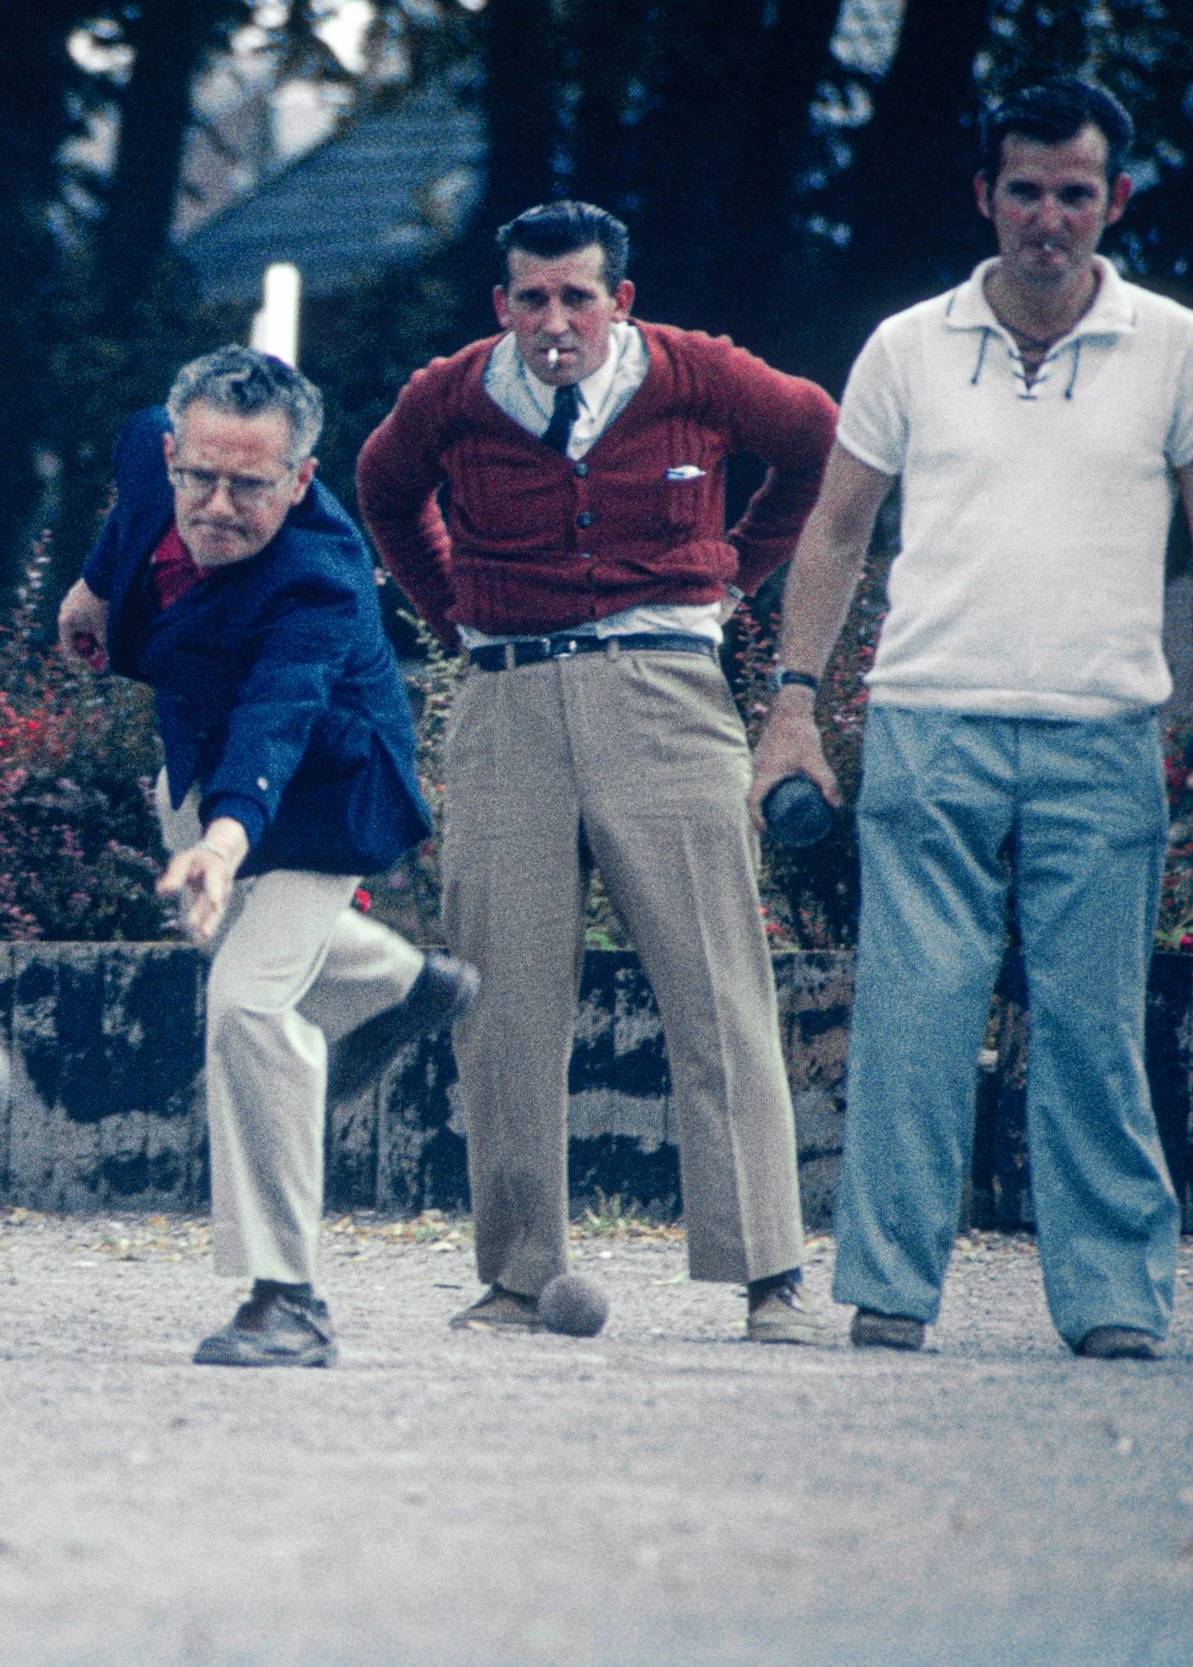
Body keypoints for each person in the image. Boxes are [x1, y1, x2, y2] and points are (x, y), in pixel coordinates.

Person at [750, 80, 1187, 1361]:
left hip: (1101, 732)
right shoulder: (904, 346)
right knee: (912, 1013)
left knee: (1094, 1029)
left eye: (1073, 193)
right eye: (1024, 191)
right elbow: (834, 529)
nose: (1047, 218)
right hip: (930, 720)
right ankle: (891, 1288)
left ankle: (1110, 1294)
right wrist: (791, 711)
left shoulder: (1173, 345)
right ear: (982, 196)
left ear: (1114, 199)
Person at [354, 201, 836, 1343]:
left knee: (715, 979)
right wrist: (453, 610)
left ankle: (769, 1271)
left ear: (619, 300)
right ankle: (519, 1274)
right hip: (505, 700)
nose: (554, 320)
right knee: (502, 996)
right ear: (501, 305)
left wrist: (733, 579)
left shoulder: (695, 375)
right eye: (532, 298)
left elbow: (819, 442)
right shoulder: (452, 394)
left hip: (662, 688)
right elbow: (382, 491)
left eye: (578, 296)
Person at [57, 347, 473, 1368]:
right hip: (201, 768)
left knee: (247, 1005)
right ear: (174, 449)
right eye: (199, 475)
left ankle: (288, 1297)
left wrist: (224, 842)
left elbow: (277, 724)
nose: (216, 503)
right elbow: (130, 512)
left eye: (250, 485)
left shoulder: (321, 582)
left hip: (323, 795)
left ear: (298, 478)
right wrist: (92, 587)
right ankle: (403, 983)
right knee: (256, 949)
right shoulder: (152, 454)